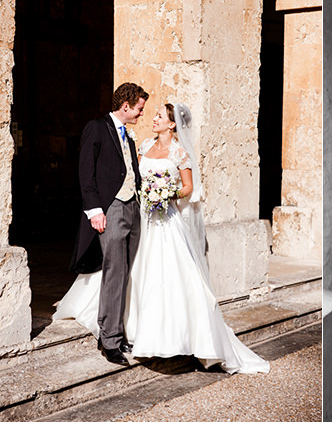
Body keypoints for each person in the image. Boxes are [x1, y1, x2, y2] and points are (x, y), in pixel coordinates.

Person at [57, 102, 269, 374]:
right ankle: (121, 328)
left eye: (159, 116)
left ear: (172, 124)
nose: (153, 118)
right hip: (140, 217)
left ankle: (167, 335)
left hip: (165, 220)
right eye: (152, 113)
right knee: (130, 270)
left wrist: (167, 193)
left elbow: (189, 189)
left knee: (164, 276)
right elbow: (131, 177)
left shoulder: (180, 153)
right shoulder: (142, 146)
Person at [64, 82, 147, 366]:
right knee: (114, 272)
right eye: (139, 109)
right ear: (126, 106)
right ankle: (110, 341)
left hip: (132, 207)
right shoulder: (96, 128)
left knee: (125, 272)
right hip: (110, 209)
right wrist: (94, 210)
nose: (140, 114)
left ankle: (114, 331)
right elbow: (86, 172)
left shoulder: (130, 135)